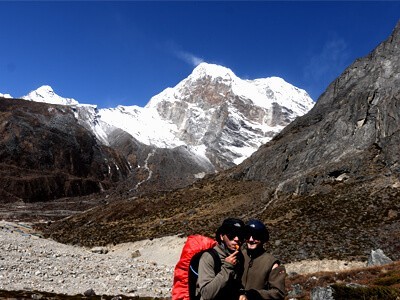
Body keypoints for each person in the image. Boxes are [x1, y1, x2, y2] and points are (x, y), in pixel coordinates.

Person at [196, 217, 245, 300]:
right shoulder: (208, 258)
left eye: (240, 235)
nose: (236, 239)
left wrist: (241, 294)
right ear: (222, 236)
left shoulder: (239, 257)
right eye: (231, 235)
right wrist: (227, 267)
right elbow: (206, 294)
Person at [240, 219, 286, 300]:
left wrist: (254, 295)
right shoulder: (238, 256)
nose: (251, 239)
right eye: (248, 235)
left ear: (263, 238)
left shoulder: (272, 263)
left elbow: (278, 293)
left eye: (256, 236)